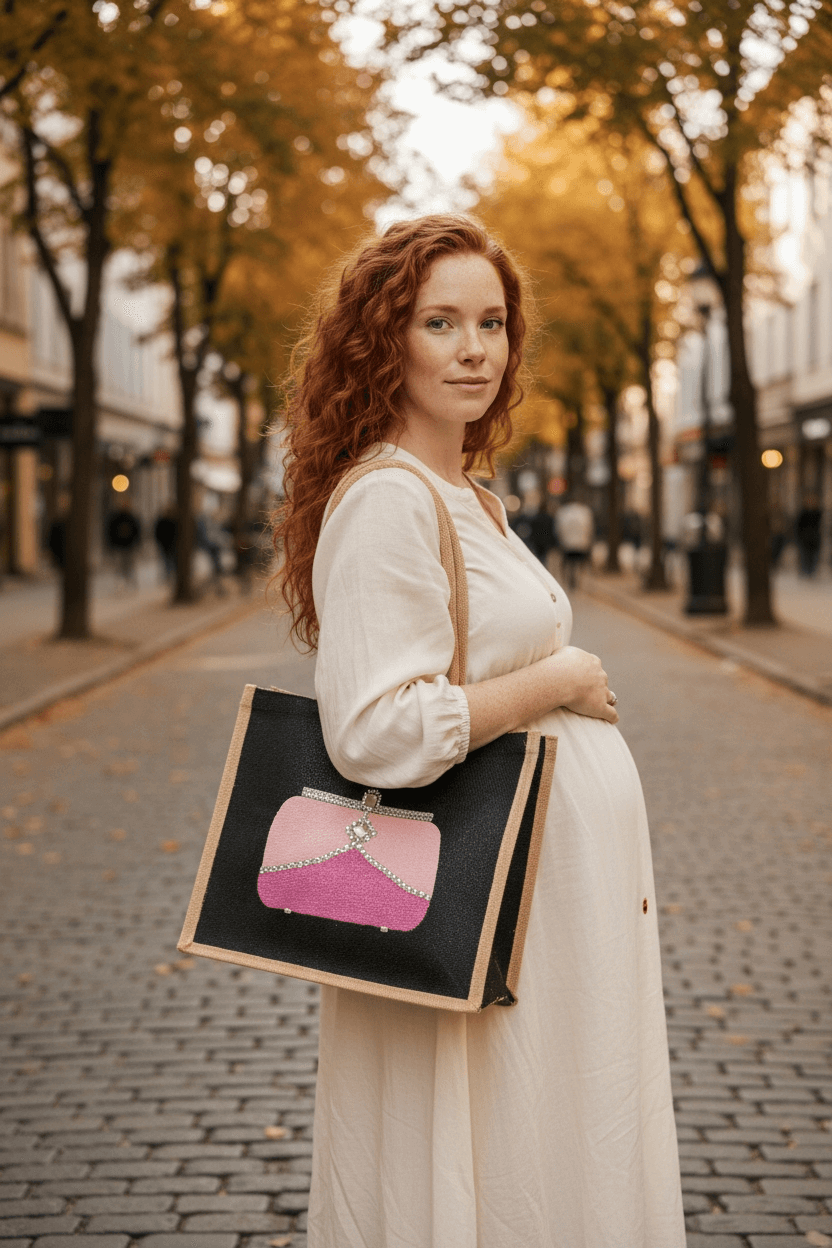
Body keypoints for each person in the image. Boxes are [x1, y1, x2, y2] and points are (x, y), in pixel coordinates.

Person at [272, 215, 684, 1248]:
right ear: (382, 341)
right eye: (438, 321)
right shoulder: (387, 501)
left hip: (543, 916)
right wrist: (560, 679)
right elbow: (372, 729)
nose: (473, 348)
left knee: (540, 1144)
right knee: (491, 1159)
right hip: (481, 901)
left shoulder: (470, 500)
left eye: (491, 322)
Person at [555, 493, 594, 588]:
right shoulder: (585, 511)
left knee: (568, 563)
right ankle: (576, 579)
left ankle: (570, 579)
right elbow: (590, 528)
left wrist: (560, 539)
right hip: (581, 543)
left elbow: (559, 528)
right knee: (578, 563)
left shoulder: (563, 511)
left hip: (567, 543)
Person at [106, 502, 141, 585]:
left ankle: (127, 580)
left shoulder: (129, 518)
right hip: (122, 545)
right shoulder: (122, 518)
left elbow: (136, 532)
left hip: (126, 545)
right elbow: (111, 532)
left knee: (127, 564)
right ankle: (124, 581)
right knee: (123, 564)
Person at [795, 495, 822, 577]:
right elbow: (798, 526)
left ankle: (811, 571)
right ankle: (805, 570)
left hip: (815, 537)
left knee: (813, 555)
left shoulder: (818, 513)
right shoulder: (803, 513)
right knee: (805, 555)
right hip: (805, 537)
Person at [154, 506, 177, 581]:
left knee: (170, 561)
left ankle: (170, 575)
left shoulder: (174, 521)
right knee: (166, 561)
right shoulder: (162, 521)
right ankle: (168, 576)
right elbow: (157, 533)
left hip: (171, 545)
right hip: (165, 545)